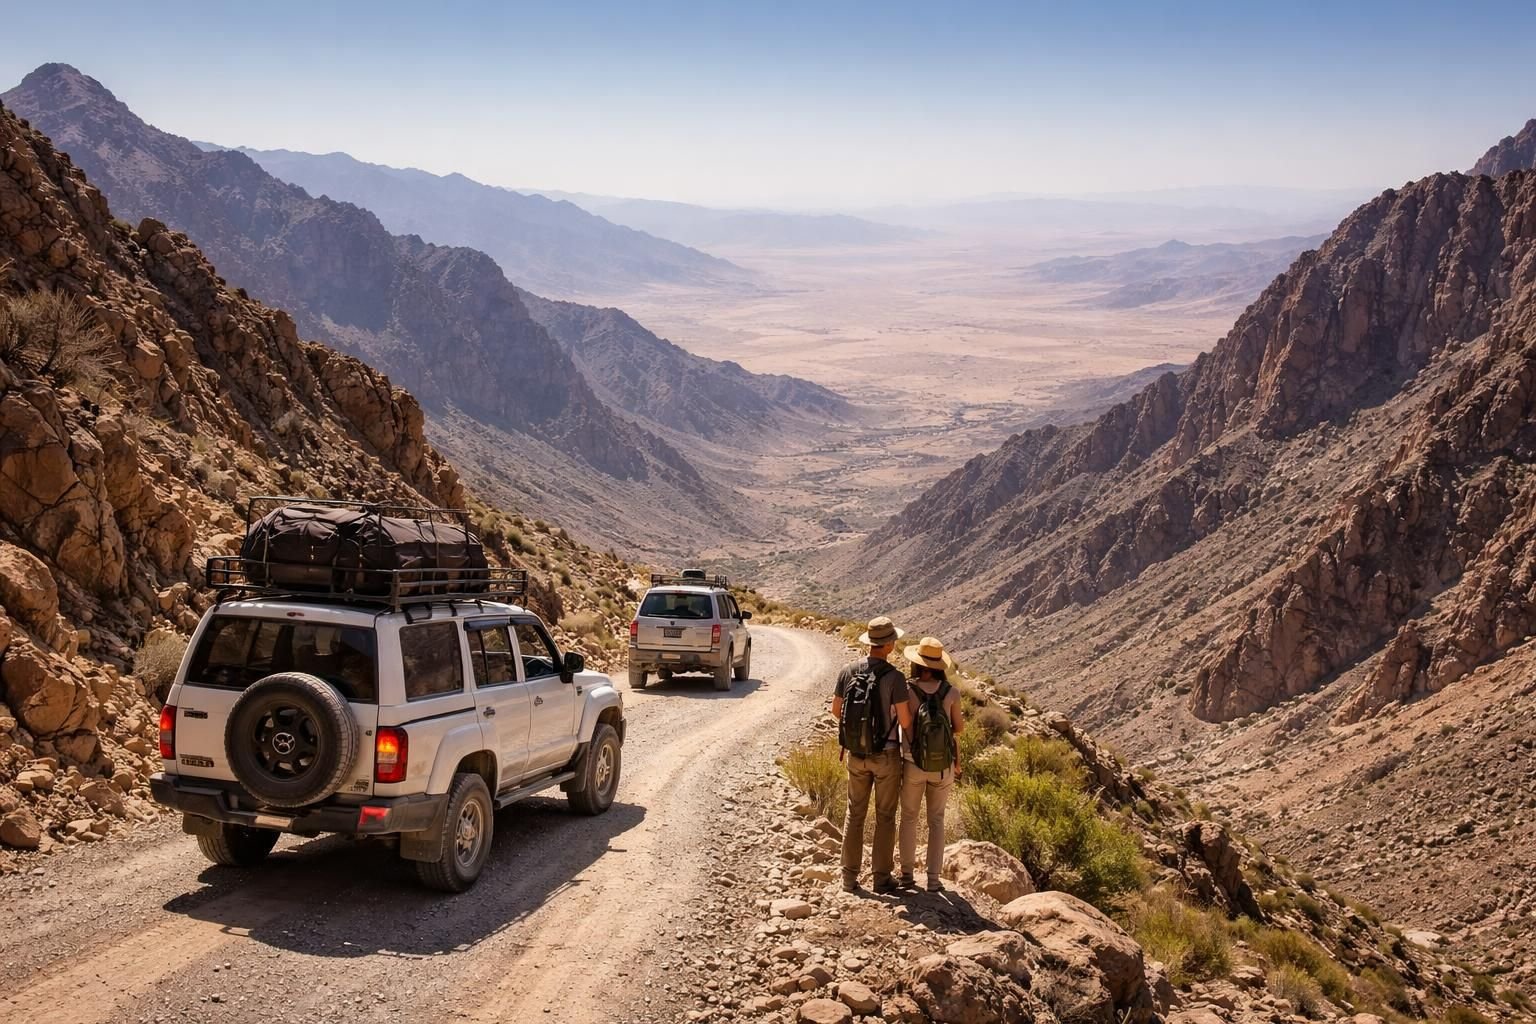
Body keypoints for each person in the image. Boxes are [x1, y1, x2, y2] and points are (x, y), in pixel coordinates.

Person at [832, 615, 913, 895]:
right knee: (885, 816)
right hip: (887, 755)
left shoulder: (848, 671)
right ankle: (881, 879)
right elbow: (904, 721)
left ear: (869, 643)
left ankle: (848, 878)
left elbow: (836, 710)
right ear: (889, 645)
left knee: (854, 814)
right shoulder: (895, 678)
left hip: (855, 754)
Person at [898, 636, 964, 892]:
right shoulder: (952, 692)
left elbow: (902, 723)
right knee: (936, 820)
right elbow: (958, 728)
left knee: (909, 818)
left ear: (916, 664)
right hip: (942, 768)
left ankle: (906, 875)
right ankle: (934, 880)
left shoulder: (906, 689)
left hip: (913, 764)